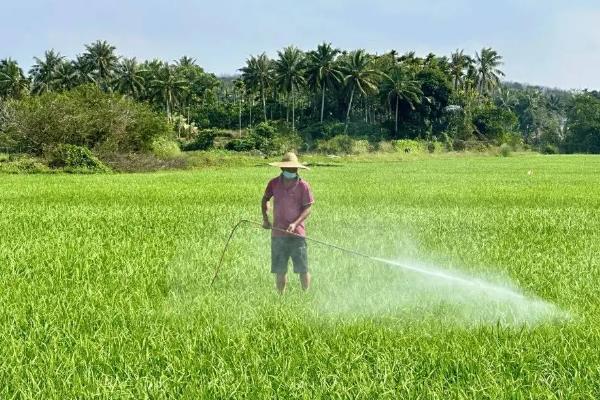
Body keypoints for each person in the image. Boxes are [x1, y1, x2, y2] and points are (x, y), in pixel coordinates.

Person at [262, 152, 314, 293]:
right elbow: (265, 199)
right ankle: (280, 298)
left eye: (294, 169)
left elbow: (308, 208)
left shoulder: (304, 186)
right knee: (280, 270)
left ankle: (306, 295)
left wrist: (295, 223)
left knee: (303, 268)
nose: (292, 171)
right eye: (289, 169)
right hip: (278, 233)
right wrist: (266, 219)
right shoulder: (273, 183)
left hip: (298, 234)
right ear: (282, 169)